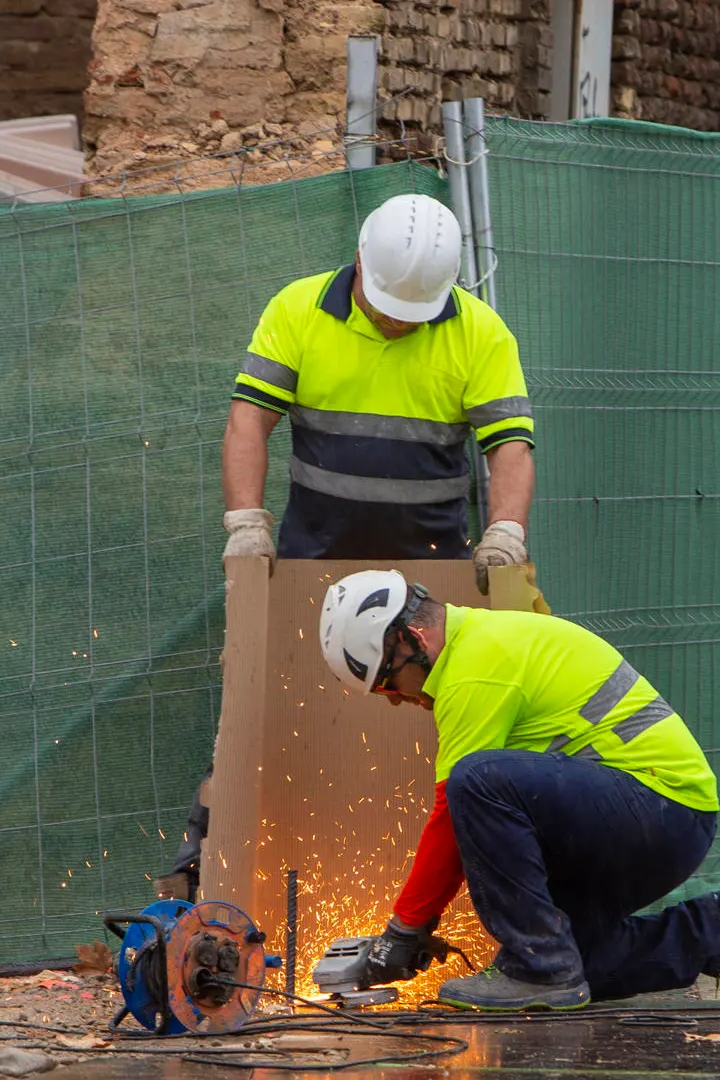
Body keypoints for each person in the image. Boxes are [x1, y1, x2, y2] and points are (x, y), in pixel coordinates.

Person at [161, 193, 539, 901]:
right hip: (309, 565)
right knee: (272, 726)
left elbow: (510, 446)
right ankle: (228, 892)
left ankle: (424, 900)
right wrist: (246, 524)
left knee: (428, 755)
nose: (398, 318)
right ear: (361, 259)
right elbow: (250, 420)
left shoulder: (481, 333)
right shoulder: (297, 311)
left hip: (432, 580)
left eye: (413, 310)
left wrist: (505, 534)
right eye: (389, 302)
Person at [315, 567, 720, 1011]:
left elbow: (452, 816)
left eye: (387, 681)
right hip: (644, 819)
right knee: (580, 962)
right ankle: (717, 931)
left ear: (412, 639)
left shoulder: (477, 666)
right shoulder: (477, 646)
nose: (394, 698)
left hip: (662, 810)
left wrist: (403, 930)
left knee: (475, 780)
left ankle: (540, 969)